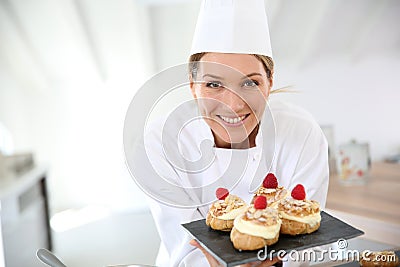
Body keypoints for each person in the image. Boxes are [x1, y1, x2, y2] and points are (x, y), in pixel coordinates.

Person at [128, 0, 329, 266]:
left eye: (250, 82)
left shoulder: (302, 133)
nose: (233, 104)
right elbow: (183, 247)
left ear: (269, 83)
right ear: (192, 86)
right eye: (214, 84)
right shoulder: (159, 143)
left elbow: (307, 240)